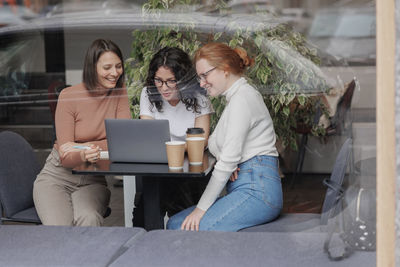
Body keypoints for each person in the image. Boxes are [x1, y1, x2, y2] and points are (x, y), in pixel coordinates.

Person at [167, 42, 283, 232]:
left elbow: (227, 161)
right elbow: (213, 143)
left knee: (181, 228)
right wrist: (226, 157)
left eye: (205, 75)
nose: (202, 83)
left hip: (257, 191)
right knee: (174, 223)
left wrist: (200, 209)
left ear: (225, 69)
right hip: (248, 186)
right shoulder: (235, 99)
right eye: (199, 77)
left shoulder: (242, 99)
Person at [33, 39, 131, 226]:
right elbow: (66, 157)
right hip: (57, 177)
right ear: (92, 68)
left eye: (118, 66)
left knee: (89, 218)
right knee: (60, 229)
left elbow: (122, 142)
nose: (115, 73)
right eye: (107, 67)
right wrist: (93, 147)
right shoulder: (70, 96)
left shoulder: (120, 92)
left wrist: (80, 147)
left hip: (93, 180)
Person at [133, 47, 213, 225]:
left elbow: (202, 141)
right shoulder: (149, 93)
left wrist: (171, 148)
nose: (164, 87)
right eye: (159, 81)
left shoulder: (199, 97)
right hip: (160, 168)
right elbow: (149, 136)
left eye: (171, 81)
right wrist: (181, 147)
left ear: (184, 80)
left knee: (185, 217)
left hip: (190, 170)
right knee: (143, 216)